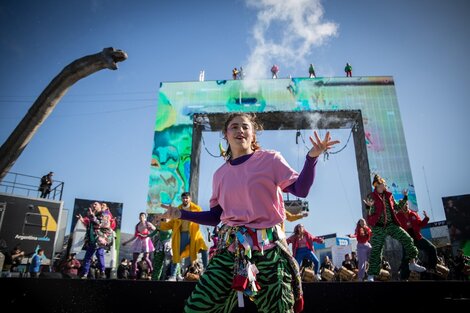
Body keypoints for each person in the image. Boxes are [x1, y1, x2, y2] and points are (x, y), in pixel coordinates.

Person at [161, 112, 339, 313]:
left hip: (269, 252)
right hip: (230, 253)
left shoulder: (270, 159)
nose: (240, 130)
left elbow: (301, 189)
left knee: (279, 309)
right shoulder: (220, 175)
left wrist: (312, 157)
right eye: (234, 127)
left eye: (245, 126)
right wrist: (180, 214)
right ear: (226, 135)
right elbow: (214, 217)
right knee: (197, 308)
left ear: (253, 135)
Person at [363, 174, 426, 281]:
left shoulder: (389, 196)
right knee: (377, 250)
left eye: (384, 184)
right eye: (383, 184)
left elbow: (396, 208)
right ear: (377, 186)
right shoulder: (372, 197)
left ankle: (412, 263)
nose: (385, 186)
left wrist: (405, 198)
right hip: (378, 228)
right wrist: (368, 207)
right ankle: (371, 275)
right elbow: (369, 216)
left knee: (407, 239)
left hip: (391, 225)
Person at [160, 192, 208, 281]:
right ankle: (173, 276)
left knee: (204, 249)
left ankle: (207, 272)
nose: (185, 200)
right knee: (176, 255)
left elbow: (203, 218)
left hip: (195, 234)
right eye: (183, 198)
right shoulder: (177, 210)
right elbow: (171, 224)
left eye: (187, 198)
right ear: (181, 199)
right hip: (183, 234)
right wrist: (161, 223)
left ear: (190, 199)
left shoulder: (196, 209)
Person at [396, 203, 438, 280]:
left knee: (432, 248)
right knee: (406, 259)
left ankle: (432, 268)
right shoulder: (398, 215)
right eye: (403, 206)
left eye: (406, 205)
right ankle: (403, 278)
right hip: (407, 240)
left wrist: (426, 218)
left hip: (417, 238)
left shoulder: (414, 214)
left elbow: (421, 224)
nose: (405, 207)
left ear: (408, 206)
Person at [78, 202, 114, 279]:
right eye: (92, 205)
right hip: (92, 239)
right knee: (88, 257)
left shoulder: (104, 214)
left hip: (100, 238)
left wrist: (93, 217)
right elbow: (89, 226)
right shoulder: (91, 215)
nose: (93, 206)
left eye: (95, 204)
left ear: (100, 206)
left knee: (99, 253)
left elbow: (103, 224)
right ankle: (85, 273)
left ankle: (102, 271)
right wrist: (82, 220)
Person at [122, 212, 156, 279]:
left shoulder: (147, 223)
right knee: (134, 259)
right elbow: (135, 236)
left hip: (146, 241)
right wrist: (126, 242)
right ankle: (133, 273)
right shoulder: (137, 225)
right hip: (139, 241)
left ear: (145, 217)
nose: (141, 217)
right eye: (140, 216)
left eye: (143, 216)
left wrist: (151, 229)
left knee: (146, 258)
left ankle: (151, 269)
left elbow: (155, 230)